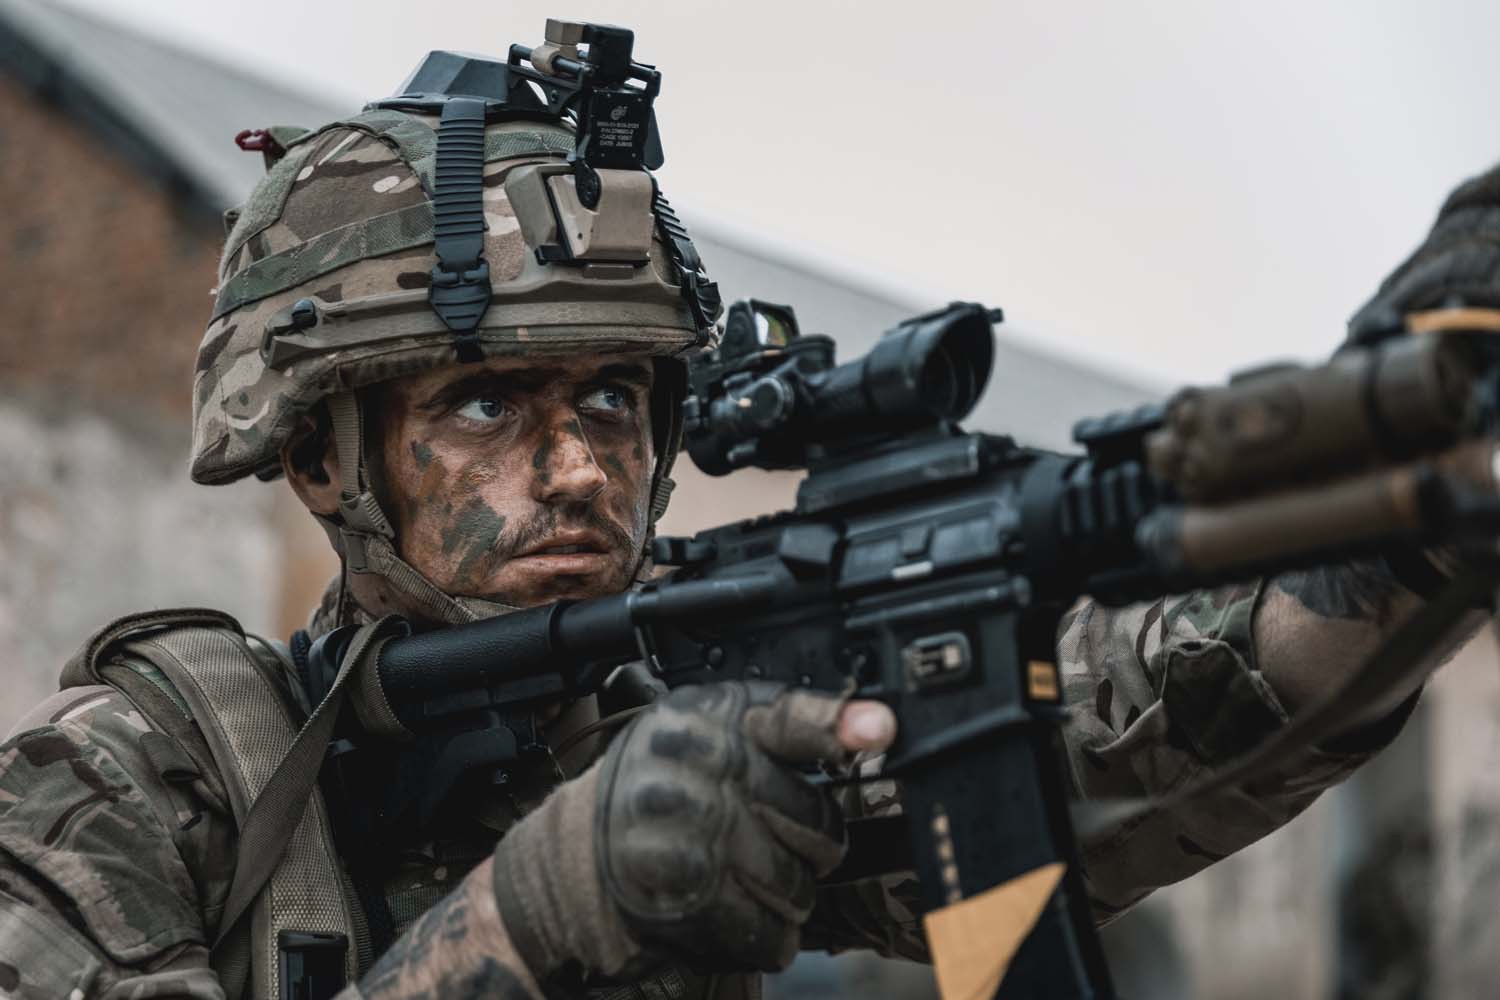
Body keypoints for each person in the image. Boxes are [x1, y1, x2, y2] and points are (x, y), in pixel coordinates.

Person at [0, 23, 1489, 1000]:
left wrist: (1422, 527)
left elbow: (1147, 722)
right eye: (485, 408)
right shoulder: (119, 790)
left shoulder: (673, 699)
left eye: (612, 400)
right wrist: (527, 923)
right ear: (324, 462)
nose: (578, 469)